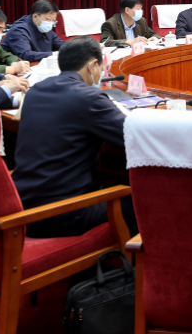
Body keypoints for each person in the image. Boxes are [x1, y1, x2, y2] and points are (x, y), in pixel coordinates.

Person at [12, 37, 136, 238]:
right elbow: (131, 138)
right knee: (144, 203)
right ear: (92, 66)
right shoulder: (89, 98)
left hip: (23, 208)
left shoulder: (35, 91)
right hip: (65, 214)